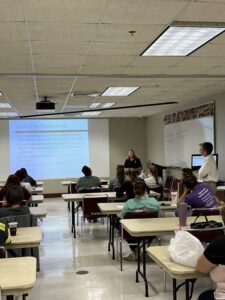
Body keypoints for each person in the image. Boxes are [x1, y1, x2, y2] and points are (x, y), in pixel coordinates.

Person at [117, 181, 160, 261]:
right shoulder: (154, 202)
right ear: (145, 190)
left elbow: (121, 217)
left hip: (131, 232)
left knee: (121, 226)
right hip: (151, 232)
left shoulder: (129, 203)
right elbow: (159, 215)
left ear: (134, 190)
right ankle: (137, 250)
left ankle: (135, 250)